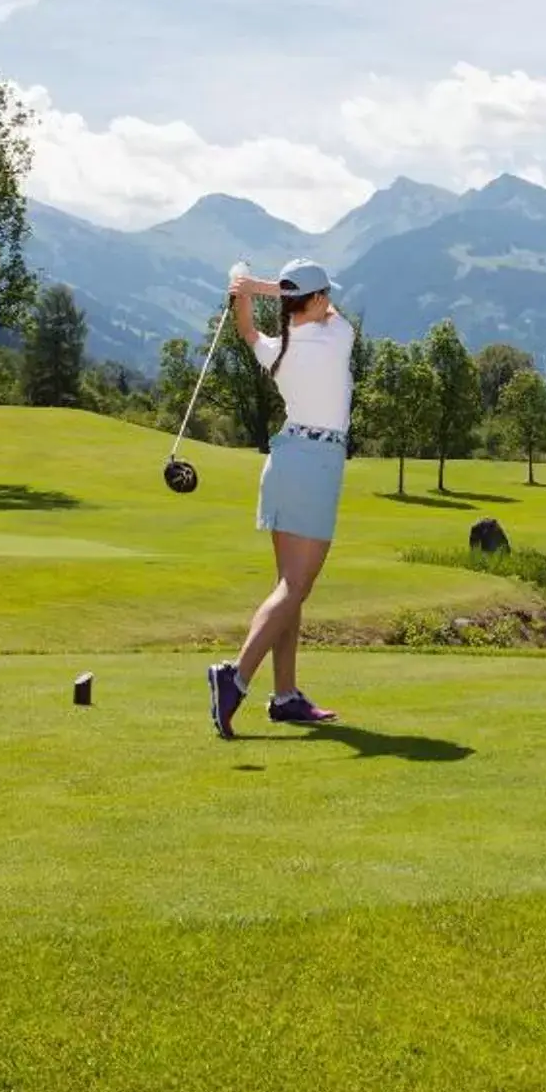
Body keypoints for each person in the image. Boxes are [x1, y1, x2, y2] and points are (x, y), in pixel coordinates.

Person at [207, 259, 352, 736]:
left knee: (289, 587)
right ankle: (236, 678)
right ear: (313, 300)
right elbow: (322, 311)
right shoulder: (336, 335)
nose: (329, 301)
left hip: (286, 460)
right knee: (295, 588)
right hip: (316, 467)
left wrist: (243, 286)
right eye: (323, 294)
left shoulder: (277, 349)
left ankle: (286, 695)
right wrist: (258, 284)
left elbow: (245, 328)